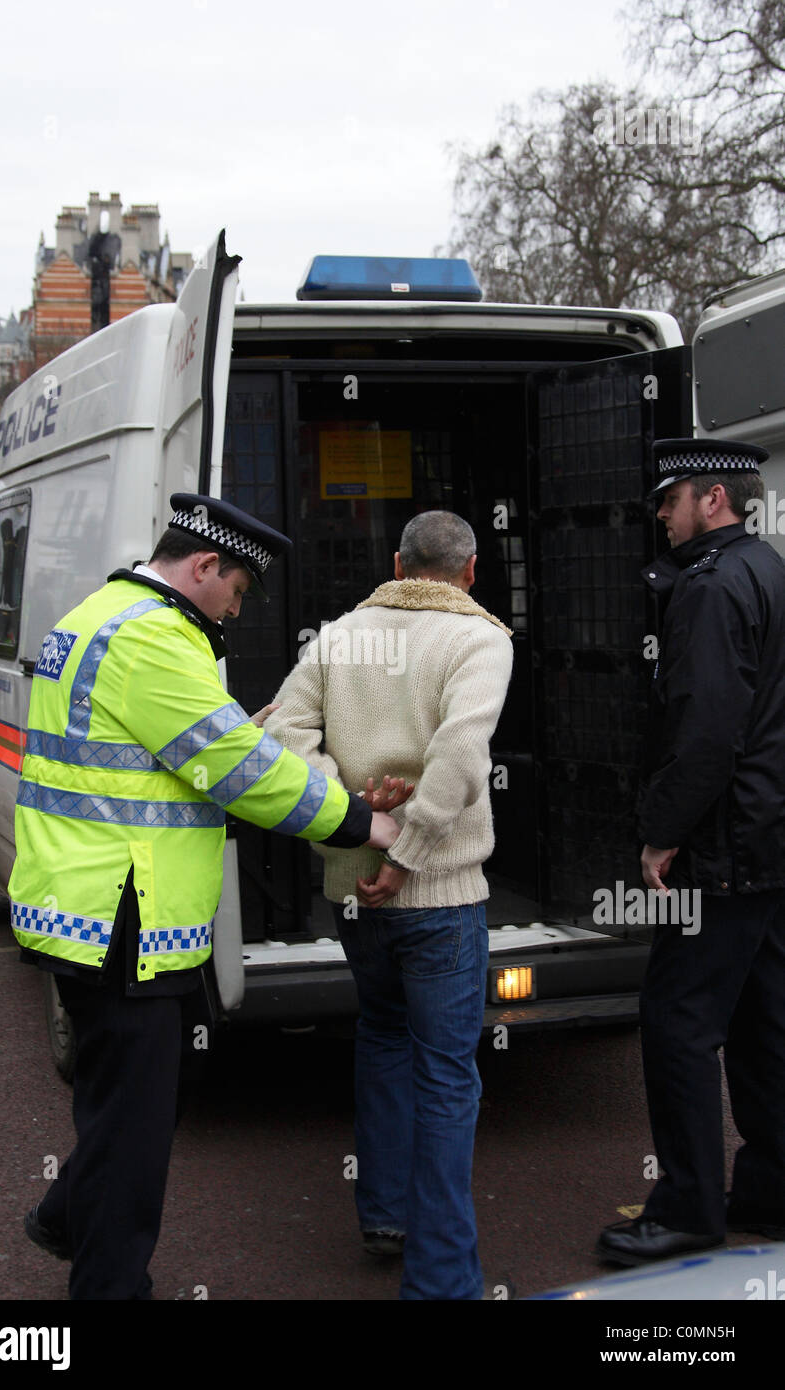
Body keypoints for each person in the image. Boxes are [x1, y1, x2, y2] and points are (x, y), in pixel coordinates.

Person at [9, 493, 401, 1300]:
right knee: (135, 1126)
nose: (240, 603)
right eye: (240, 587)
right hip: (124, 916)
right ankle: (110, 1286)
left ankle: (65, 1216)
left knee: (141, 1095)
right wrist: (362, 823)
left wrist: (226, 733)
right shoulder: (157, 640)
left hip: (90, 909)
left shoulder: (102, 612)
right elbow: (238, 773)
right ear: (204, 566)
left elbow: (163, 748)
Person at [266, 510, 514, 1300]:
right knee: (446, 1075)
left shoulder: (337, 637)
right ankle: (441, 1281)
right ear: (470, 571)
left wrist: (349, 805)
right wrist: (408, 855)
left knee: (381, 1036)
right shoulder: (480, 640)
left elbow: (281, 738)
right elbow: (460, 757)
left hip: (350, 892)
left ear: (399, 561)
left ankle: (384, 1215)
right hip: (438, 893)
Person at [596, 437, 785, 1266]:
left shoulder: (708, 590)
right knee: (765, 1022)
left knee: (676, 1022)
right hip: (772, 837)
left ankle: (686, 1208)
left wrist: (662, 831)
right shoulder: (771, 569)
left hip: (724, 845)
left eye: (667, 502)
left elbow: (706, 730)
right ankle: (773, 1190)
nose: (660, 518)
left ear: (711, 499)